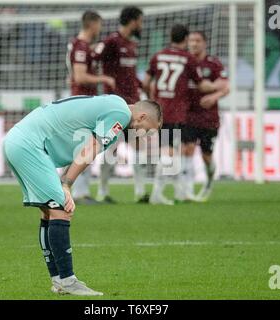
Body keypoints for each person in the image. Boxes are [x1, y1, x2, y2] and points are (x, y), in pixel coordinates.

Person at [3, 95, 162, 296]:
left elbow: (83, 150)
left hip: (17, 141)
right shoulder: (120, 114)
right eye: (148, 130)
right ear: (142, 116)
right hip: (30, 145)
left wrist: (65, 182)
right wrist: (67, 184)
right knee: (60, 209)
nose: (144, 135)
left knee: (49, 211)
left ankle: (59, 280)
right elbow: (91, 148)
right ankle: (68, 281)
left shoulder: (113, 104)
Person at [143, 24, 222, 205]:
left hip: (160, 109)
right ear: (185, 39)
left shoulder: (158, 56)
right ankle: (157, 193)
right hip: (176, 111)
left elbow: (147, 82)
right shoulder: (187, 59)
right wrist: (218, 87)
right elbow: (202, 86)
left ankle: (178, 192)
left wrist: (151, 98)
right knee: (169, 152)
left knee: (171, 150)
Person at [93, 6, 147, 203]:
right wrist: (101, 78)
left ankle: (141, 192)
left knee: (138, 144)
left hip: (133, 104)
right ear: (132, 21)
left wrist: (143, 86)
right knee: (111, 147)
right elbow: (93, 57)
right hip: (114, 106)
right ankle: (102, 191)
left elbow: (130, 75)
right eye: (140, 21)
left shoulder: (131, 45)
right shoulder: (111, 41)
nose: (141, 25)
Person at [66, 10, 116, 205]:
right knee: (84, 147)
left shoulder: (81, 46)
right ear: (92, 24)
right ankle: (79, 192)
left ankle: (77, 190)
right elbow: (79, 76)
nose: (100, 29)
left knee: (85, 146)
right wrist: (103, 78)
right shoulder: (80, 47)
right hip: (81, 102)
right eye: (99, 25)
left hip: (83, 101)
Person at [183, 30, 229, 202]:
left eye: (198, 40)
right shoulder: (185, 62)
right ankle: (187, 190)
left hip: (208, 117)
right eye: (191, 40)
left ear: (204, 43)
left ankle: (209, 181)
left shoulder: (213, 64)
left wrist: (213, 96)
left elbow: (226, 86)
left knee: (206, 155)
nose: (194, 44)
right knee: (187, 150)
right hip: (187, 115)